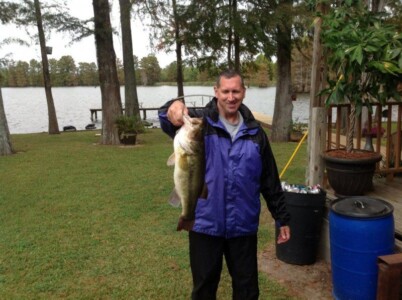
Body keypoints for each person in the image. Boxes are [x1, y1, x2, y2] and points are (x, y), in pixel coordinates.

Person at [158, 69, 291, 300]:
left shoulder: (255, 132)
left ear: (244, 93)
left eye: (236, 91)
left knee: (247, 290)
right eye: (226, 91)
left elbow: (269, 180)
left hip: (243, 227)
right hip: (204, 225)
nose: (231, 97)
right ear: (216, 91)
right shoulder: (200, 123)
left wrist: (282, 218)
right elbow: (165, 117)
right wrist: (174, 106)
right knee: (204, 289)